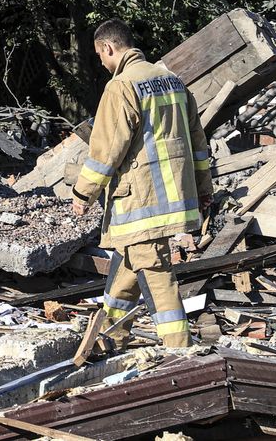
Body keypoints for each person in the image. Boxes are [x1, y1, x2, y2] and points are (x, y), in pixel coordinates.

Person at [71, 18, 213, 348]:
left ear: (107, 48)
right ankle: (110, 337)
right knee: (128, 264)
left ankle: (180, 350)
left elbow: (107, 149)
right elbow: (198, 142)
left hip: (142, 202)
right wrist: (203, 189)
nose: (102, 63)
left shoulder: (121, 86)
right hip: (175, 198)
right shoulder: (172, 81)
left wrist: (84, 192)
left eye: (100, 56)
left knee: (156, 270)